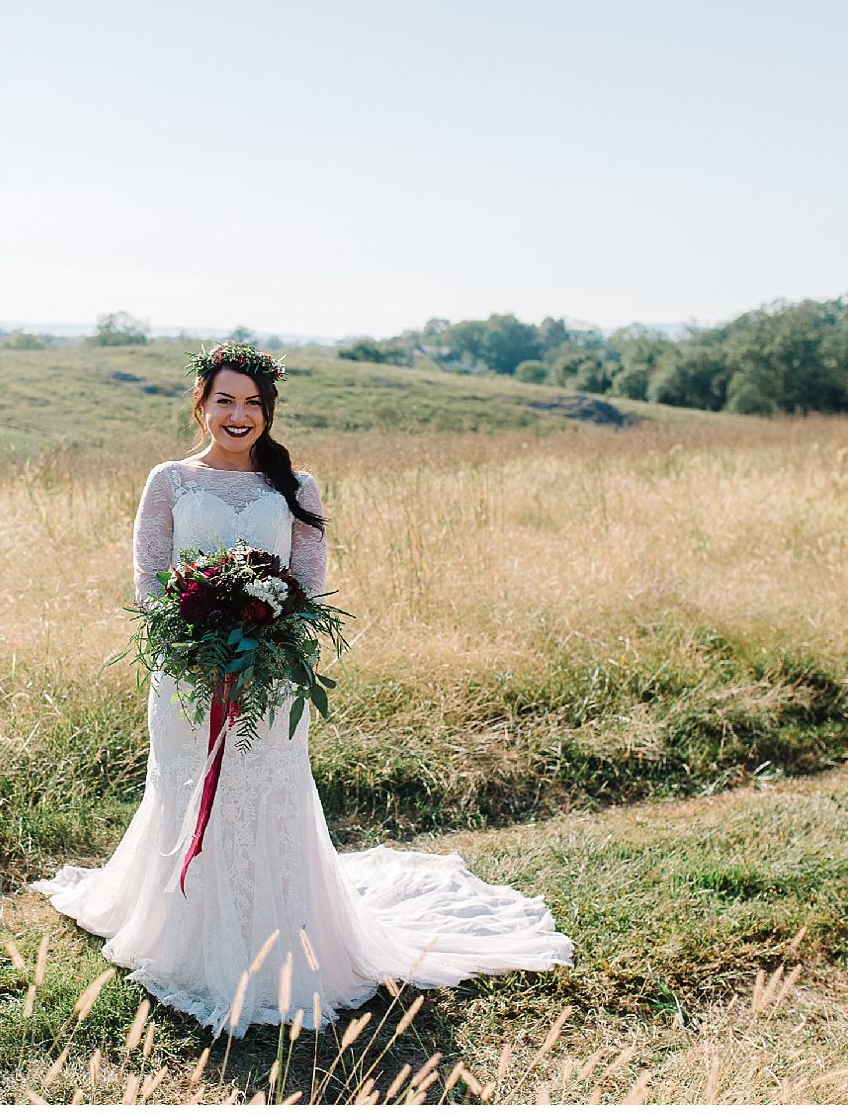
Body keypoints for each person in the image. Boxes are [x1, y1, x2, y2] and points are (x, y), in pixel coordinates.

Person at [30, 341, 572, 1038]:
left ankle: (276, 932)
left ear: (269, 411)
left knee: (263, 793)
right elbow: (149, 580)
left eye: (253, 402)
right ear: (201, 404)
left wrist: (266, 631)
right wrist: (196, 639)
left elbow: (310, 586)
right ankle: (183, 933)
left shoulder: (295, 487)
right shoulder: (168, 480)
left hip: (271, 674)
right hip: (188, 675)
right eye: (225, 399)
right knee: (187, 786)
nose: (238, 414)